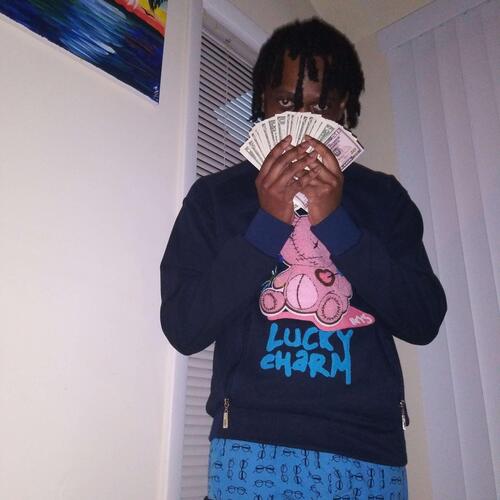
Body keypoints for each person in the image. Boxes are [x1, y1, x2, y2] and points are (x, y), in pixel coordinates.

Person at [160, 18, 446, 499]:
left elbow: (423, 319)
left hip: (370, 451)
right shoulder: (215, 198)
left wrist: (338, 225)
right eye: (287, 102)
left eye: (322, 106)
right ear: (263, 102)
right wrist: (266, 226)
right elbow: (183, 327)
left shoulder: (383, 198)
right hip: (249, 447)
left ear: (344, 108)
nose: (304, 121)